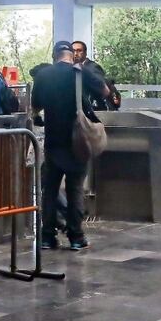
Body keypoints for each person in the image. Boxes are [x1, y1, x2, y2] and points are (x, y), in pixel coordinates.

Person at [31, 40, 107, 251]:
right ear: (71, 55)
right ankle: (76, 237)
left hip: (53, 141)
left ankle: (47, 237)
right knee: (74, 190)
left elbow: (35, 106)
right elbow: (105, 92)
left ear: (54, 56)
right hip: (77, 141)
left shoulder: (43, 75)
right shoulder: (79, 72)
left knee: (50, 191)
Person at [72, 41, 113, 110]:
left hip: (94, 109)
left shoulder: (92, 67)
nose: (76, 54)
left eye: (79, 51)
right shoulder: (72, 68)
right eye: (73, 51)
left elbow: (101, 87)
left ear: (85, 53)